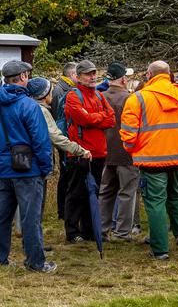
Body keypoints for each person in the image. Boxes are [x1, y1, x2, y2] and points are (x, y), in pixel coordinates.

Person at [120, 61, 178, 260]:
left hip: (151, 159)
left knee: (155, 202)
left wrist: (133, 151)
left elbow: (128, 136)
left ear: (149, 74)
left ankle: (160, 249)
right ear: (169, 74)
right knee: (176, 193)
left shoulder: (137, 99)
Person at [0, 61, 54, 272]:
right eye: (27, 75)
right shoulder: (29, 105)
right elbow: (40, 141)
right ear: (22, 77)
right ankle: (36, 263)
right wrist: (45, 167)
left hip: (2, 169)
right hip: (28, 170)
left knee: (1, 216)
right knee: (30, 218)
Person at [63, 60, 116, 243]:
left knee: (92, 193)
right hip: (80, 153)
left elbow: (111, 119)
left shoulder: (100, 96)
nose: (92, 77)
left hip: (99, 152)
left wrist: (93, 117)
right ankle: (72, 231)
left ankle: (88, 230)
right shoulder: (73, 95)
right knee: (76, 193)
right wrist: (97, 118)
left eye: (93, 73)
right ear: (78, 77)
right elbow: (82, 119)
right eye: (88, 74)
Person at [27, 77, 91, 224]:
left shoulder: (28, 107)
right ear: (44, 94)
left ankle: (30, 240)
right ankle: (34, 243)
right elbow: (56, 137)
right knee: (36, 206)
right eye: (49, 90)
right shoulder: (41, 111)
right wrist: (79, 150)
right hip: (36, 164)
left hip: (25, 162)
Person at [98, 62, 141, 240]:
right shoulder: (131, 99)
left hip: (104, 152)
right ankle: (122, 232)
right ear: (123, 79)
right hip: (126, 152)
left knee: (106, 192)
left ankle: (101, 229)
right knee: (127, 193)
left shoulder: (99, 97)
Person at [50, 61, 77, 220]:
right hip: (63, 137)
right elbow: (59, 117)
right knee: (66, 173)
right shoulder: (61, 90)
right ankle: (63, 210)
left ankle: (65, 209)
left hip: (65, 136)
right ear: (72, 75)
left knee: (67, 174)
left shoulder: (63, 88)